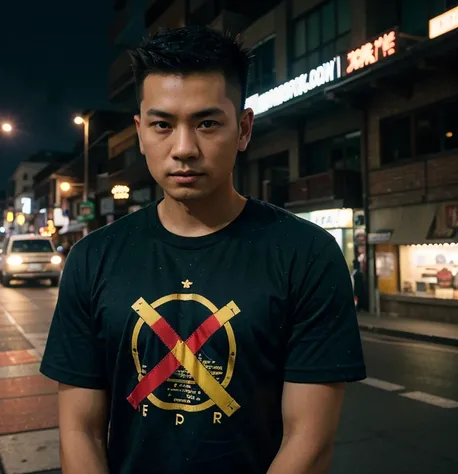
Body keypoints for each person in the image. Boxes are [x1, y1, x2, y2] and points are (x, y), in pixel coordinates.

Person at [40, 25, 366, 474]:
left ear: (244, 129)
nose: (184, 149)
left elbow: (308, 443)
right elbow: (80, 431)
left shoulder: (308, 254)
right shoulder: (92, 258)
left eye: (207, 123)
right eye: (162, 124)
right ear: (139, 132)